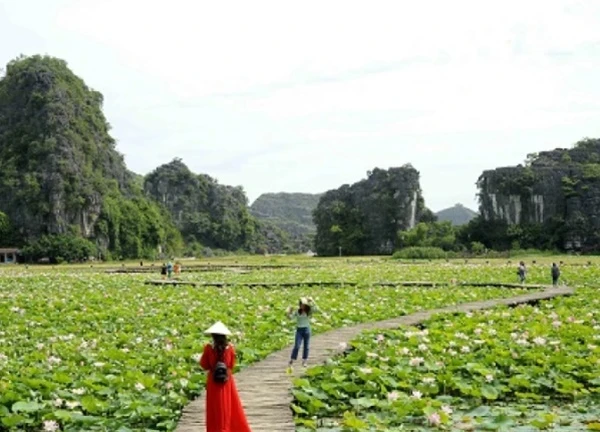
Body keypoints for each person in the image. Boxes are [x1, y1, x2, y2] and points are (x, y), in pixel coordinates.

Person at [200, 321, 251, 432]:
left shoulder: (208, 348)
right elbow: (232, 365)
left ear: (213, 335)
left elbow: (204, 365)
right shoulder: (230, 348)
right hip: (227, 381)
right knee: (228, 407)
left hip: (213, 381)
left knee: (214, 410)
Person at [287, 297, 318, 369]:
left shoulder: (309, 311)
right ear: (300, 305)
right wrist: (289, 312)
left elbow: (317, 309)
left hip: (307, 329)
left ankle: (304, 361)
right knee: (297, 346)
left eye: (304, 305)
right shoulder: (297, 312)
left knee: (306, 346)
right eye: (302, 304)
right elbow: (290, 318)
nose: (303, 306)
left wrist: (312, 301)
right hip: (299, 330)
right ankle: (292, 360)